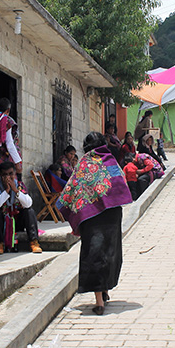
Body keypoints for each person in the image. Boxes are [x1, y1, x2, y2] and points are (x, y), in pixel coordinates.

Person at [56, 132, 133, 316]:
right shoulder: (110, 160)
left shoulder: (83, 163)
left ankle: (99, 301)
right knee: (109, 251)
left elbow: (71, 188)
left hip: (91, 216)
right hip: (112, 214)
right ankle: (104, 291)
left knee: (94, 253)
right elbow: (120, 182)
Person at [0, 162, 42, 254]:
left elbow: (28, 203)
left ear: (14, 174)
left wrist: (16, 191)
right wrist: (7, 191)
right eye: (5, 175)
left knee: (29, 211)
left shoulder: (20, 185)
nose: (8, 177)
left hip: (17, 221)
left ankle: (34, 242)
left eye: (10, 174)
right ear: (0, 175)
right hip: (3, 222)